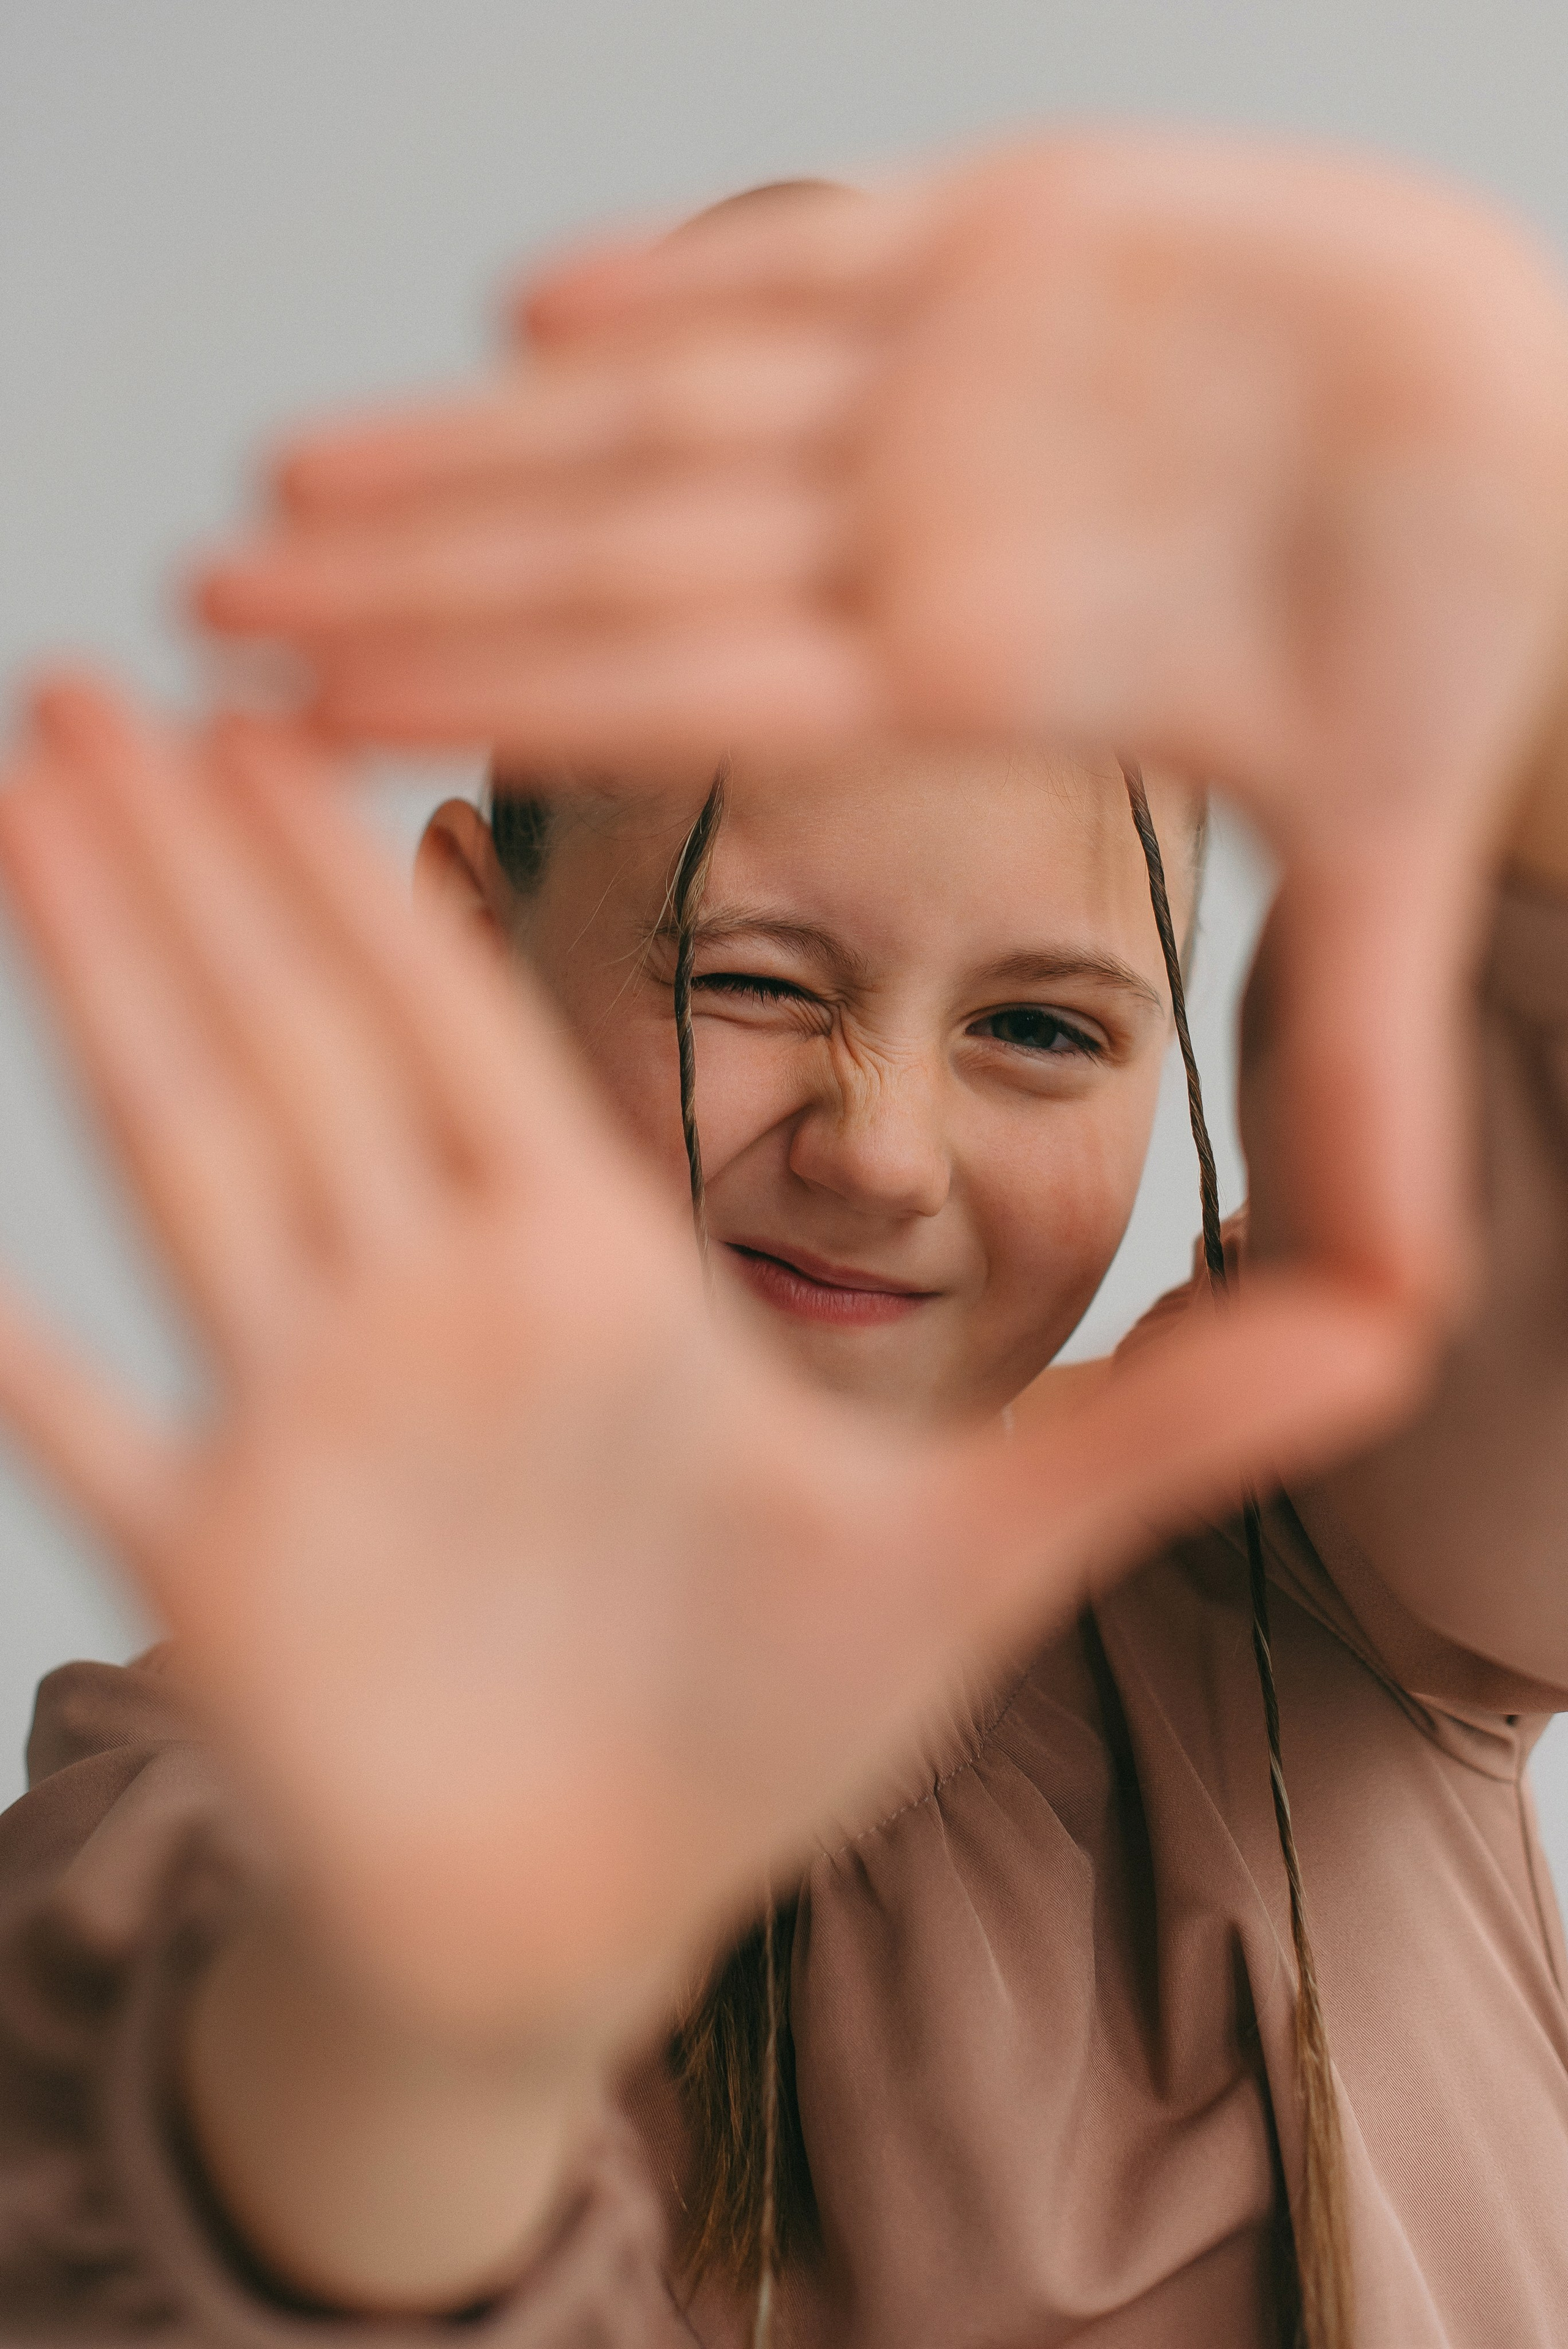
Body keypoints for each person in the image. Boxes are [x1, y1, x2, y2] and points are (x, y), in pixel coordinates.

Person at [0, 134, 1565, 2349]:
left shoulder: (1317, 1577)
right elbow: (175, 2224)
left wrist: (1526, 578)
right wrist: (437, 2019)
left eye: (1039, 1025)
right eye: (749, 980)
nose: (885, 1147)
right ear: (472, 942)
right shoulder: (230, 1826)